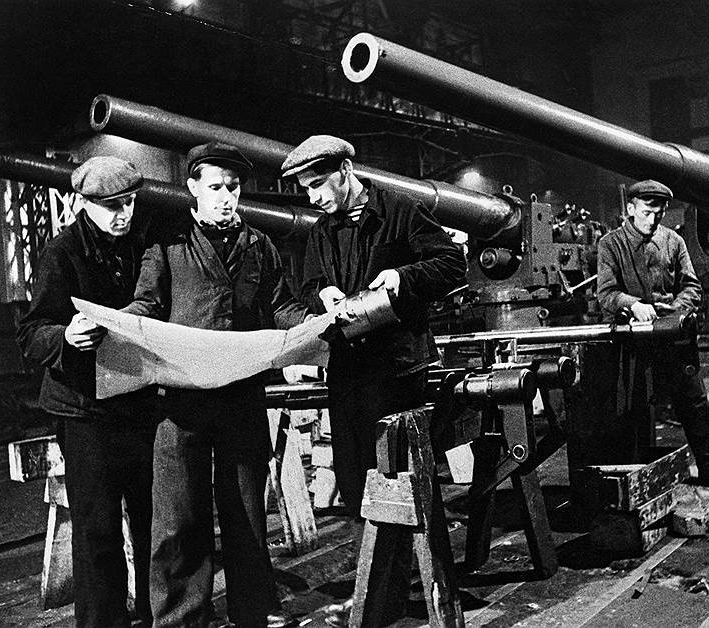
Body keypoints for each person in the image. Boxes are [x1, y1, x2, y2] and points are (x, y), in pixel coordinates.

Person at [281, 135, 466, 624]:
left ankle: (406, 591)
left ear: (346, 170)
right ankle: (380, 588)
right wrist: (323, 293)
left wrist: (403, 277)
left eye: (318, 184)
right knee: (354, 480)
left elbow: (452, 263)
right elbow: (308, 286)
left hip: (398, 371)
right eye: (305, 189)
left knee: (402, 481)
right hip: (348, 373)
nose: (313, 196)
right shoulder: (322, 231)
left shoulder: (400, 211)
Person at [124, 141, 307, 628]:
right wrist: (112, 324)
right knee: (178, 517)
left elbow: (281, 307)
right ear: (193, 188)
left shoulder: (260, 245)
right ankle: (181, 619)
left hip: (242, 397)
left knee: (247, 513)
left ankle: (255, 611)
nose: (226, 197)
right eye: (215, 187)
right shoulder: (167, 243)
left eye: (233, 187)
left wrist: (315, 325)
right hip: (180, 401)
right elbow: (146, 305)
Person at [17, 156, 156, 627]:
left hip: (137, 403)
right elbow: (31, 332)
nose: (124, 214)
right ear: (83, 203)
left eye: (130, 202)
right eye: (112, 206)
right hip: (84, 411)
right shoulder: (62, 252)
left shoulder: (142, 245)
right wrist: (66, 336)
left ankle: (157, 616)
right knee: (97, 530)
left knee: (151, 519)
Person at [597, 179, 709, 492]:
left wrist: (674, 309)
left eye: (658, 214)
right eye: (646, 213)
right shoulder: (611, 244)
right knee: (633, 412)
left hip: (673, 337)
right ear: (630, 209)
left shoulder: (674, 241)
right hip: (634, 342)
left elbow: (692, 286)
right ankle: (635, 482)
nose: (652, 220)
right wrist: (634, 305)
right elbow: (606, 293)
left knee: (695, 406)